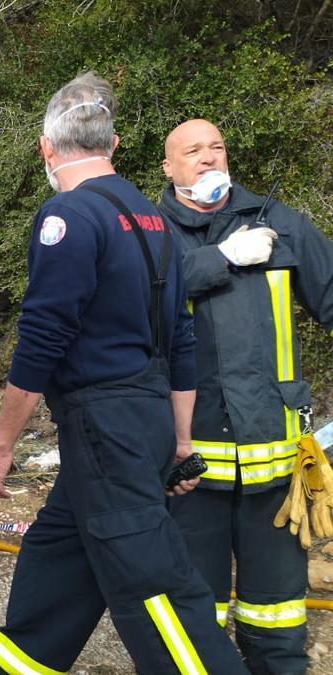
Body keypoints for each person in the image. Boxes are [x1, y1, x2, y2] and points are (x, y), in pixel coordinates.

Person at [0, 73, 246, 674]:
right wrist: (178, 442)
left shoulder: (67, 216)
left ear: (48, 148)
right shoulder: (153, 222)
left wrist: (0, 447)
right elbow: (181, 340)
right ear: (114, 144)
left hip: (106, 428)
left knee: (157, 595)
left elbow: (42, 341)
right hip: (141, 423)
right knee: (56, 565)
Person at [159, 118, 333, 674]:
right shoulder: (149, 231)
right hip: (187, 467)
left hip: (277, 465)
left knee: (277, 616)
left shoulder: (279, 224)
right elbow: (134, 293)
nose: (208, 158)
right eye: (193, 151)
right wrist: (223, 259)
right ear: (169, 168)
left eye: (217, 147)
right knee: (192, 615)